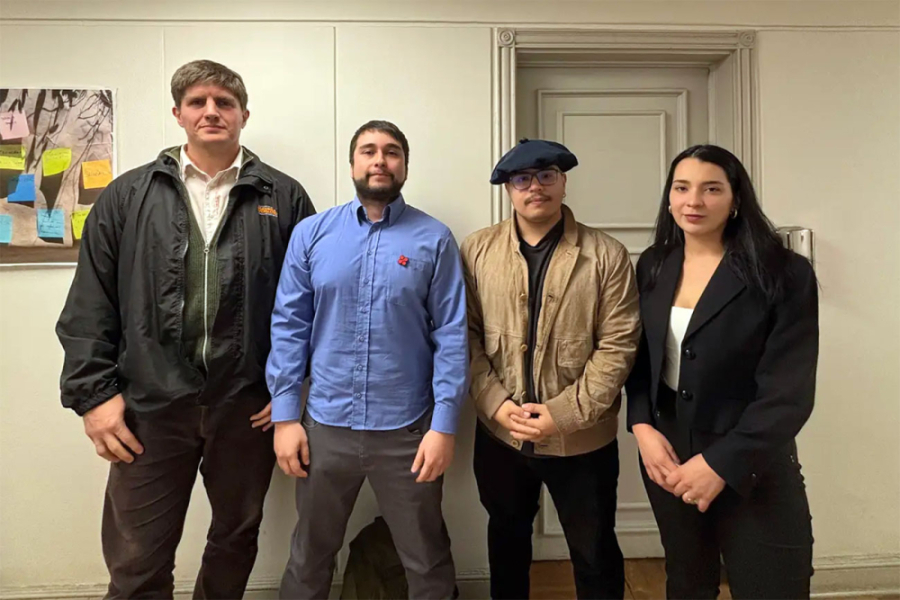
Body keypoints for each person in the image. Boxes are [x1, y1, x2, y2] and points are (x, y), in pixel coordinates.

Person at [56, 59, 316, 599]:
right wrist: (94, 397)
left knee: (235, 537)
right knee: (137, 555)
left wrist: (293, 386)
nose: (211, 112)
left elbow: (312, 305)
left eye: (224, 103)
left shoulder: (285, 198)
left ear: (244, 114)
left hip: (247, 406)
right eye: (198, 102)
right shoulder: (127, 197)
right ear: (178, 114)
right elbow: (89, 305)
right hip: (149, 405)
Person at [267, 120, 469, 600]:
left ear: (404, 165)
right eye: (368, 150)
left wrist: (444, 427)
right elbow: (288, 326)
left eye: (392, 151)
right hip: (323, 429)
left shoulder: (434, 239)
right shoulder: (311, 234)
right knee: (309, 555)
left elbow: (452, 335)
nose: (380, 160)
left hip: (408, 433)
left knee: (426, 558)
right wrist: (284, 417)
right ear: (353, 162)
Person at [625, 144, 818, 598]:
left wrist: (720, 464)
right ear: (669, 198)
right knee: (688, 584)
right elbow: (641, 360)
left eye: (712, 189)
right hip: (668, 454)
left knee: (771, 587)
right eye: (682, 188)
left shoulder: (784, 272)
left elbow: (788, 394)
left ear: (735, 200)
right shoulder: (655, 263)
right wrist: (641, 426)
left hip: (753, 461)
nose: (694, 201)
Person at [461, 138, 641, 599]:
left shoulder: (607, 255)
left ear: (562, 182)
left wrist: (562, 415)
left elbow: (618, 346)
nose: (535, 187)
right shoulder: (476, 251)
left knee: (594, 549)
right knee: (506, 541)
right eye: (522, 179)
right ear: (508, 189)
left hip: (582, 440)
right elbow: (464, 337)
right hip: (501, 435)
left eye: (546, 176)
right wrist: (497, 406)